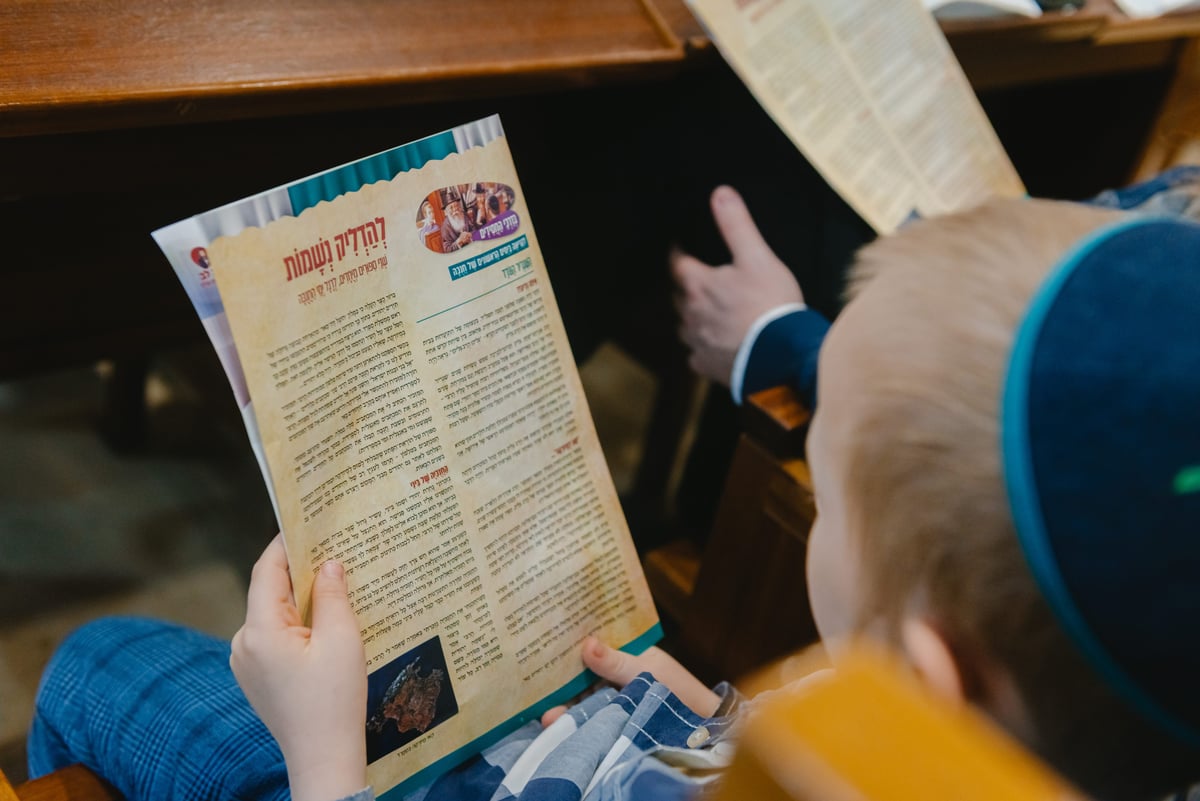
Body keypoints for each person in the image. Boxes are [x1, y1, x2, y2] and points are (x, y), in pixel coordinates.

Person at [28, 186, 1200, 801]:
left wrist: (325, 762)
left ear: (928, 677)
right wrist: (712, 719)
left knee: (95, 663)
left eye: (824, 480)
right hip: (610, 738)